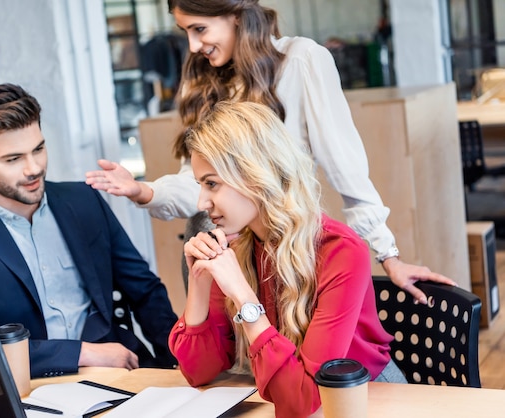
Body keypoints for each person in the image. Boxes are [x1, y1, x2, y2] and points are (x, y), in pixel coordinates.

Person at [84, 0, 456, 304]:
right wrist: (143, 191)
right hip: (217, 249)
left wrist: (388, 256)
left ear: (237, 16)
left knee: (300, 368)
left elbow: (347, 167)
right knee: (231, 377)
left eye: (199, 29)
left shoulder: (301, 62)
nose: (193, 46)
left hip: (285, 251)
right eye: (186, 32)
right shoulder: (203, 79)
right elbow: (198, 187)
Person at [0, 83, 178, 378]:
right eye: (13, 159)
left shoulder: (84, 201)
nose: (33, 168)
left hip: (119, 368)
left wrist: (177, 366)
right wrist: (81, 352)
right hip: (33, 385)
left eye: (38, 149)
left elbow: (144, 290)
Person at [170, 101, 407, 418]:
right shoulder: (237, 242)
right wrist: (199, 282)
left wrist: (243, 296)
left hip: (369, 401)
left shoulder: (340, 251)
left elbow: (303, 399)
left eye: (212, 183)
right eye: (200, 185)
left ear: (255, 176)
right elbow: (200, 372)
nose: (202, 202)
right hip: (293, 400)